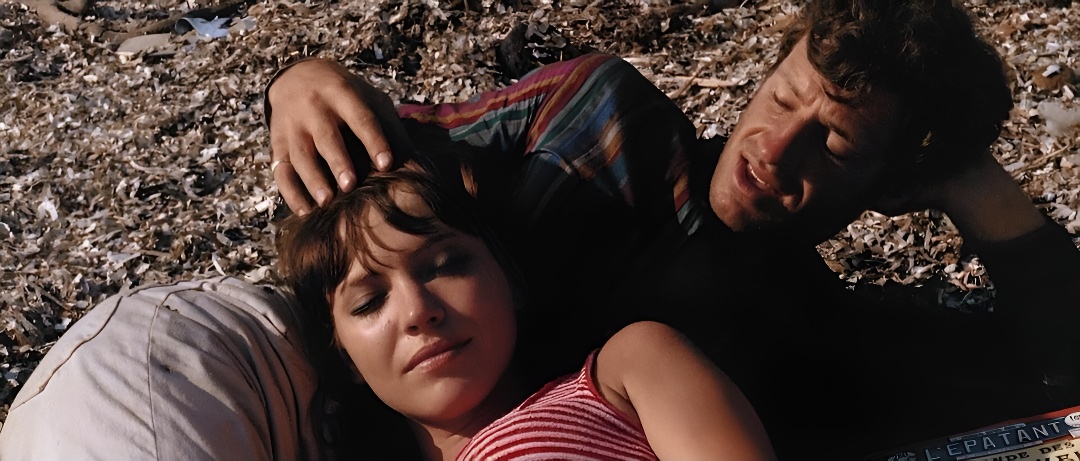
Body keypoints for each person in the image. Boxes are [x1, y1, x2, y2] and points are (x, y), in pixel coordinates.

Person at [264, 0, 1080, 457]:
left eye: (833, 145)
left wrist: (971, 181)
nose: (772, 149)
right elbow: (374, 180)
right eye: (781, 98)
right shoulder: (592, 117)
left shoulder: (811, 327)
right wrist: (299, 81)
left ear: (894, 186)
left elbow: (1057, 364)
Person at [273, 166, 777, 460]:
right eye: (369, 302)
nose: (418, 311)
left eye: (446, 265)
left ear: (510, 280)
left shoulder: (628, 371)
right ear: (344, 358)